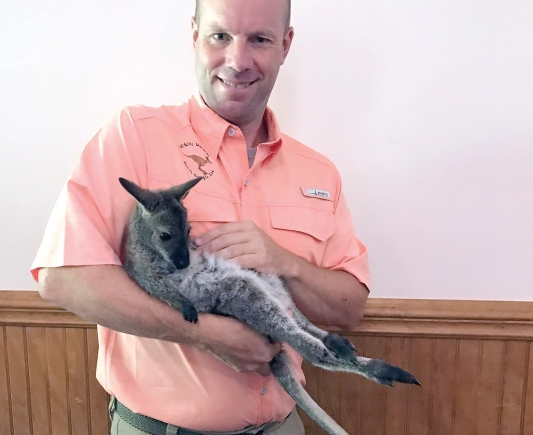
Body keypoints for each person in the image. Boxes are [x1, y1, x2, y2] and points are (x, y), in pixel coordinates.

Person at [32, 0, 370, 434]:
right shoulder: (133, 135)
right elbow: (65, 278)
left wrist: (283, 261)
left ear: (285, 45)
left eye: (260, 39)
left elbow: (349, 307)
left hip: (284, 425)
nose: (238, 60)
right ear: (195, 36)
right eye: (220, 36)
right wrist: (204, 333)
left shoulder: (318, 171)